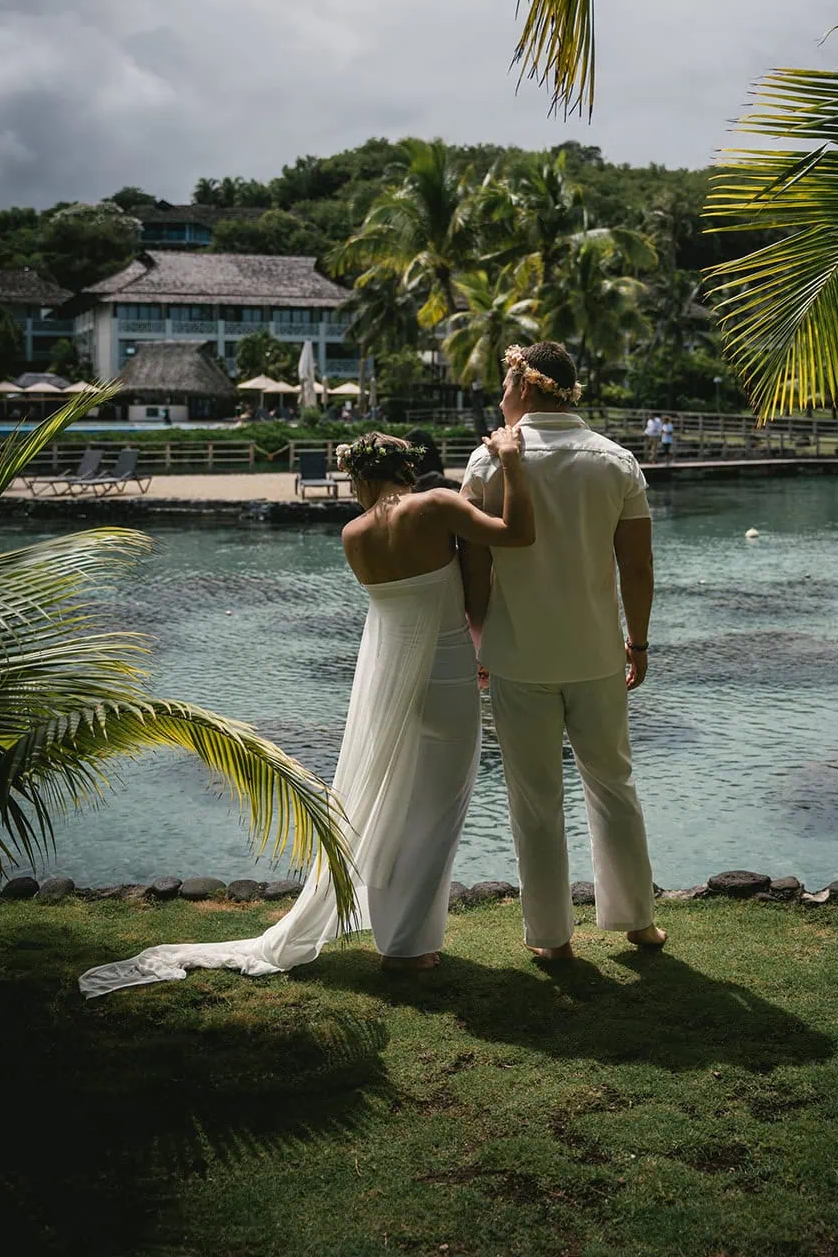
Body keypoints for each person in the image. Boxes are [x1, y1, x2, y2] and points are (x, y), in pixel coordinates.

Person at [78, 428, 535, 997]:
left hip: (385, 683)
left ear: (360, 477)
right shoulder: (438, 504)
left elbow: (401, 611)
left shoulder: (353, 536)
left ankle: (402, 937)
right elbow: (517, 534)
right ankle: (408, 948)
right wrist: (512, 464)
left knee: (387, 805)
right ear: (406, 471)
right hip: (445, 678)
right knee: (437, 812)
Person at [460, 341, 665, 962]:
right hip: (597, 654)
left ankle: (551, 939)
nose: (500, 397)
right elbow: (636, 566)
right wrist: (638, 640)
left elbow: (473, 567)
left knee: (535, 800)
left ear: (525, 387)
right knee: (614, 785)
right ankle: (636, 922)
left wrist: (478, 640)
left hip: (519, 656)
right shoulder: (617, 462)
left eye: (503, 386)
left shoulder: (487, 463)